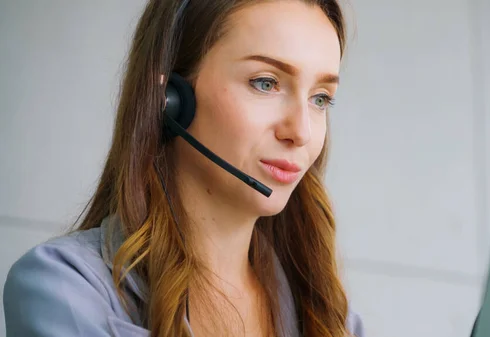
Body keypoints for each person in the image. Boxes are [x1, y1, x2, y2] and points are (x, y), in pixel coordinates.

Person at [2, 0, 364, 336]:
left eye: (320, 98)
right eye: (265, 83)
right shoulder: (65, 286)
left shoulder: (329, 313)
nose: (301, 131)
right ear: (171, 99)